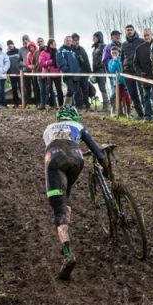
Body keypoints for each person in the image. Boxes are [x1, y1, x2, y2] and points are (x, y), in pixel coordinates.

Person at [42, 105, 108, 280]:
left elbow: (51, 145)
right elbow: (97, 152)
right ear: (75, 117)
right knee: (67, 195)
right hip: (76, 159)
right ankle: (66, 232)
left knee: (58, 209)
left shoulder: (48, 129)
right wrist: (105, 167)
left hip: (54, 159)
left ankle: (67, 252)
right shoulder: (79, 126)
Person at [121, 25, 145, 119]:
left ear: (134, 31)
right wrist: (123, 69)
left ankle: (148, 113)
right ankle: (140, 114)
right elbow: (122, 58)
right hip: (128, 71)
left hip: (139, 71)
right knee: (133, 94)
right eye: (127, 30)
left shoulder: (141, 41)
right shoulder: (124, 44)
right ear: (125, 32)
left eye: (131, 30)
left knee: (143, 93)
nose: (129, 31)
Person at [133, 28, 153, 119]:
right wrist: (140, 73)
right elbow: (135, 63)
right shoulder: (139, 48)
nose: (146, 37)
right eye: (145, 35)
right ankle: (147, 114)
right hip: (145, 76)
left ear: (152, 34)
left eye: (148, 35)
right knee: (146, 95)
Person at [71, 33, 92, 111]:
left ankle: (87, 105)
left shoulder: (82, 49)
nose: (76, 41)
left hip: (84, 73)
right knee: (76, 90)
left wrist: (89, 71)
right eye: (75, 40)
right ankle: (79, 106)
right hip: (75, 73)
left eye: (77, 40)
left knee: (85, 90)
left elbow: (86, 60)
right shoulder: (70, 50)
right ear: (72, 41)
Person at [108, 46, 131, 116]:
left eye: (115, 53)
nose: (114, 54)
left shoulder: (121, 60)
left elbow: (122, 68)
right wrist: (115, 61)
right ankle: (120, 112)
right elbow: (111, 71)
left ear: (119, 53)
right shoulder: (110, 62)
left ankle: (128, 112)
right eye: (112, 53)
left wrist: (117, 60)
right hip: (116, 82)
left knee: (127, 97)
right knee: (118, 97)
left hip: (124, 81)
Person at [58, 36, 81, 106]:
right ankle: (66, 106)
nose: (68, 42)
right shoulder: (61, 50)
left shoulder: (72, 51)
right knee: (70, 90)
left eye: (70, 40)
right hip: (67, 74)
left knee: (75, 90)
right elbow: (60, 61)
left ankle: (71, 106)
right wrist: (66, 69)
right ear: (64, 41)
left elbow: (76, 62)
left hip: (75, 74)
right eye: (67, 40)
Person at [39, 39, 61, 109]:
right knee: (49, 90)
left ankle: (61, 105)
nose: (56, 44)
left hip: (57, 73)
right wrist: (51, 61)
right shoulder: (44, 52)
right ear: (50, 44)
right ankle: (48, 105)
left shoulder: (58, 52)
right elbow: (41, 63)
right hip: (48, 73)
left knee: (59, 90)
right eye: (54, 43)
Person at [91, 31, 110, 112]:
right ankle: (105, 106)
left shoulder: (103, 47)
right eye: (93, 37)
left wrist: (100, 65)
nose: (93, 39)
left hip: (101, 69)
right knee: (100, 87)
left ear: (99, 37)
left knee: (102, 87)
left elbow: (106, 58)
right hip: (96, 70)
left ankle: (106, 106)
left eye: (94, 37)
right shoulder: (95, 47)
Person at [6, 40, 22, 108]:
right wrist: (8, 73)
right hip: (12, 74)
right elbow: (6, 64)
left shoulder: (18, 51)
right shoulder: (7, 53)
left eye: (11, 44)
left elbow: (22, 60)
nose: (10, 45)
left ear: (13, 44)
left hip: (19, 73)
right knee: (14, 89)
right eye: (8, 44)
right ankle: (16, 104)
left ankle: (24, 102)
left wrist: (21, 69)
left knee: (21, 88)